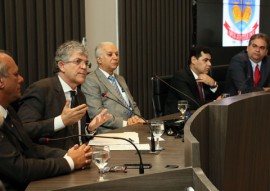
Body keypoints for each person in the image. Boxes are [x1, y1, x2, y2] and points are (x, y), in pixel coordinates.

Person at [0, 50, 92, 190]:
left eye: (86, 63)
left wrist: (70, 154)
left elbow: (29, 147)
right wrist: (69, 161)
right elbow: (20, 169)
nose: (21, 79)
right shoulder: (41, 89)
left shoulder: (8, 110)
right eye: (15, 74)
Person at [17, 41, 112, 150]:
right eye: (78, 61)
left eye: (86, 63)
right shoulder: (41, 90)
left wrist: (89, 129)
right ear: (62, 66)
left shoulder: (80, 95)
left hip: (80, 157)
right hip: (53, 161)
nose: (84, 67)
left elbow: (75, 137)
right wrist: (61, 121)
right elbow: (24, 129)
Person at [81, 42, 144, 133]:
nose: (115, 57)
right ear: (99, 59)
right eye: (110, 54)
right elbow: (97, 114)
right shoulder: (91, 80)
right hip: (111, 132)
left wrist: (137, 118)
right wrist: (126, 123)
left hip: (133, 128)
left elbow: (132, 105)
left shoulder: (120, 78)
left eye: (117, 54)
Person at [164, 45, 222, 114]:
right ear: (193, 60)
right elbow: (191, 103)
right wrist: (214, 102)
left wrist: (214, 85)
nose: (209, 64)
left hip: (200, 115)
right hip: (178, 118)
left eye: (209, 60)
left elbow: (217, 97)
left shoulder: (206, 76)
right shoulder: (180, 76)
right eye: (205, 60)